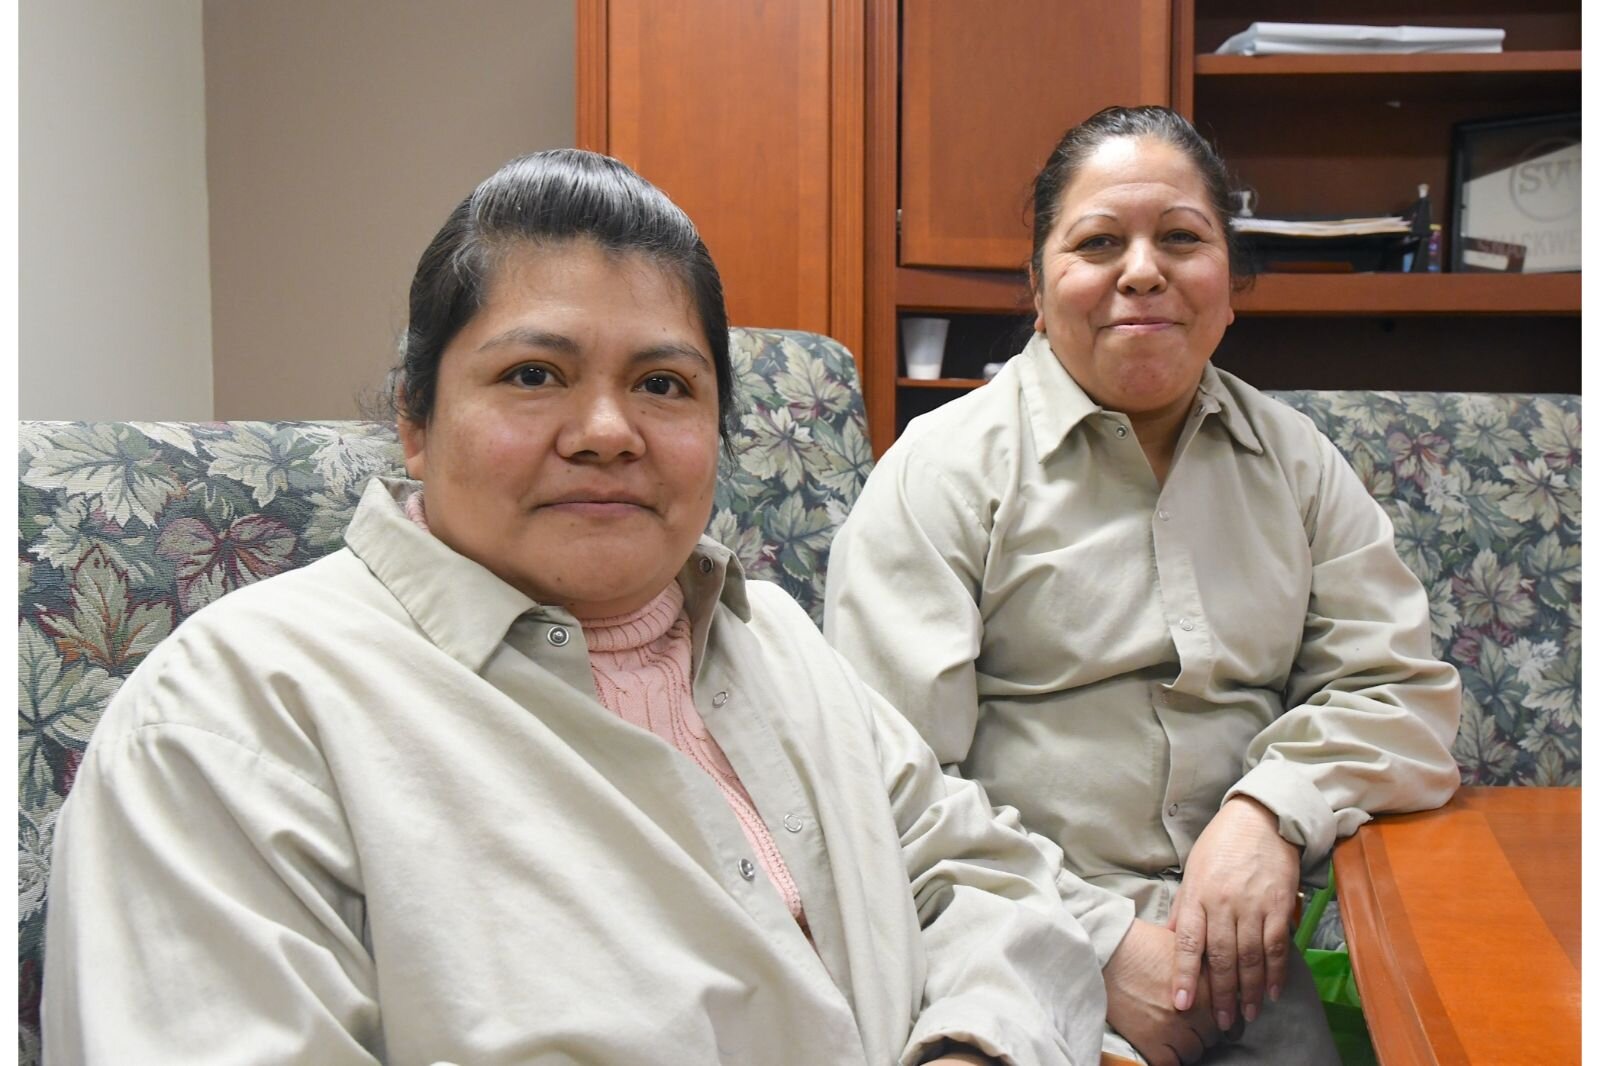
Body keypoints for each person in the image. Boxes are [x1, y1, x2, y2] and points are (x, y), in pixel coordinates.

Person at [42, 150, 1108, 1066]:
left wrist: (973, 1045)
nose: (608, 430)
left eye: (663, 385)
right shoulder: (231, 719)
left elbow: (984, 878)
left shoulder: (777, 639)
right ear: (415, 420)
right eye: (534, 374)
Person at [823, 107, 1461, 1066]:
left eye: (1181, 239)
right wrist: (1101, 939)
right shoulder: (941, 472)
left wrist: (1268, 812)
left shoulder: (1298, 465)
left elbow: (1401, 691)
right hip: (1009, 937)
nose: (1143, 270)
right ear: (1038, 289)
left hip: (1247, 957)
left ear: (1229, 287)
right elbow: (883, 776)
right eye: (1097, 242)